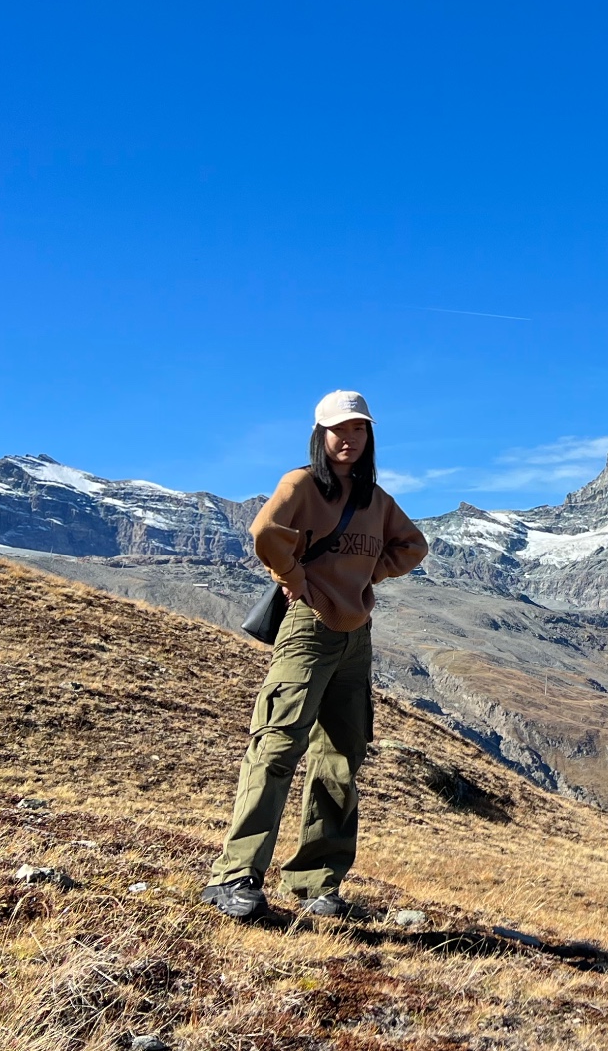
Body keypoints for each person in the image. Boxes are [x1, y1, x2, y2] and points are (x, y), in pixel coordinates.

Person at [201, 389, 428, 920]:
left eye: (358, 430)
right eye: (337, 430)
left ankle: (318, 884)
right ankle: (236, 876)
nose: (347, 439)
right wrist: (296, 577)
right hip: (307, 628)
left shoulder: (378, 501)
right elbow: (265, 532)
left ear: (369, 436)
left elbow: (412, 546)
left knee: (341, 760)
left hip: (356, 638)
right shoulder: (301, 485)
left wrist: (371, 574)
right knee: (277, 747)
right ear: (320, 435)